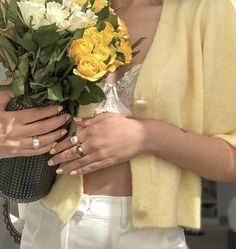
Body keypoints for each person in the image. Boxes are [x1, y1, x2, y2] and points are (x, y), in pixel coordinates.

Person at [3, 0, 236, 248]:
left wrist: (147, 137)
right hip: (48, 223)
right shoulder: (63, 6)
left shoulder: (210, 10)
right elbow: (16, 100)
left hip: (144, 235)